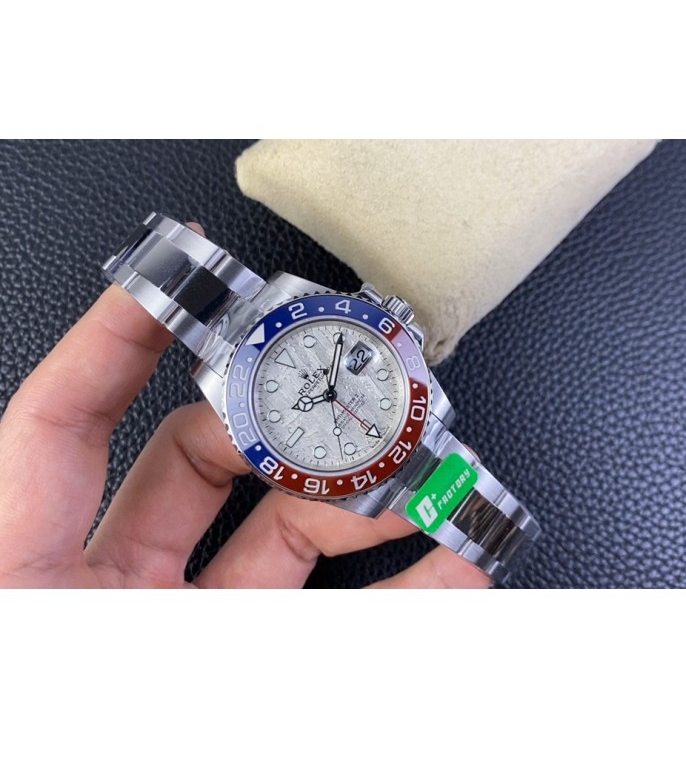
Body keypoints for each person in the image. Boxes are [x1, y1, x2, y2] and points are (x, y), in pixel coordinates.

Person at [0, 224, 489, 589]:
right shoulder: (222, 383)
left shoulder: (286, 301)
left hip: (405, 412)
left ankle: (495, 539)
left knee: (475, 522)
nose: (328, 395)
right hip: (360, 444)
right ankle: (491, 544)